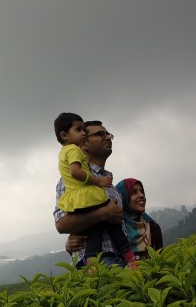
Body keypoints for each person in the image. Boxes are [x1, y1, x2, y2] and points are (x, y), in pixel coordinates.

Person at [53, 113, 136, 267]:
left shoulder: (110, 185)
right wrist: (104, 213)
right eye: (100, 134)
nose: (107, 137)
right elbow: (62, 224)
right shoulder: (73, 181)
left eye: (108, 134)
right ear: (84, 144)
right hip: (98, 263)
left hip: (122, 261)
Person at [115, 178, 164, 260]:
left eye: (142, 192)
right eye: (134, 192)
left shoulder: (153, 228)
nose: (141, 195)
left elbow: (161, 263)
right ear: (122, 197)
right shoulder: (116, 229)